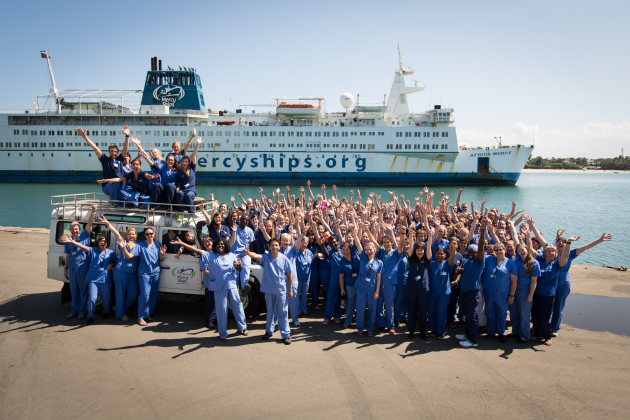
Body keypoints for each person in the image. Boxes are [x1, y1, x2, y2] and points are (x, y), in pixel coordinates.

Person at [172, 236, 248, 341]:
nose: (220, 245)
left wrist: (239, 265)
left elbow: (238, 269)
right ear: (215, 246)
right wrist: (183, 244)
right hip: (219, 287)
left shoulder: (231, 256)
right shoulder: (210, 256)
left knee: (238, 306)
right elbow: (196, 250)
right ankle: (223, 334)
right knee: (221, 310)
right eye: (218, 244)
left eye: (222, 244)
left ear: (225, 245)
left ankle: (243, 328)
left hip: (231, 285)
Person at [550, 233, 612, 336]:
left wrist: (599, 240)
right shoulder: (550, 253)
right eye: (559, 241)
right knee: (547, 305)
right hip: (550, 282)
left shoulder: (570, 253)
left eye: (564, 242)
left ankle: (555, 328)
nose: (561, 243)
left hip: (563, 283)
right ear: (555, 243)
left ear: (566, 245)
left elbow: (585, 247)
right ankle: (542, 325)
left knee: (558, 306)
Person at [243, 239, 294, 345]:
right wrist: (248, 253)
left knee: (282, 312)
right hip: (269, 290)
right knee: (270, 311)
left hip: (281, 290)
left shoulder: (284, 259)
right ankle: (269, 331)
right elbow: (257, 256)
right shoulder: (266, 258)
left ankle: (285, 334)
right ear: (269, 247)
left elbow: (289, 275)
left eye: (276, 245)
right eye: (272, 245)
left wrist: (291, 290)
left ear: (279, 246)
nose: (274, 247)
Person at [60, 233, 117, 325]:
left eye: (105, 241)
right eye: (101, 241)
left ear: (107, 243)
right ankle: (90, 316)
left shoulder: (111, 253)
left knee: (106, 298)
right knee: (92, 298)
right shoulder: (93, 251)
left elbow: (115, 262)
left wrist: (111, 265)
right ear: (98, 243)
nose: (103, 243)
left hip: (105, 279)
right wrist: (73, 242)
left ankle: (106, 312)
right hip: (93, 279)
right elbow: (82, 246)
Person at [119, 227, 166, 326]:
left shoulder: (157, 244)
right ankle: (141, 317)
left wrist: (162, 254)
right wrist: (123, 248)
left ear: (154, 234)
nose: (150, 236)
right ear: (144, 235)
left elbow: (160, 260)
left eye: (151, 233)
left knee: (153, 295)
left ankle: (148, 314)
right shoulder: (140, 246)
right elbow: (129, 256)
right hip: (145, 273)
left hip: (156, 272)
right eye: (147, 234)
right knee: (144, 294)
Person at [77, 126, 130, 206]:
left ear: (117, 152)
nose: (113, 153)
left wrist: (127, 136)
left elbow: (125, 148)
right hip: (107, 186)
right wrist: (85, 136)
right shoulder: (105, 160)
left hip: (120, 185)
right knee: (114, 184)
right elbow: (94, 147)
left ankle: (115, 198)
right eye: (111, 151)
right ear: (109, 152)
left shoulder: (120, 159)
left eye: (115, 151)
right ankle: (113, 202)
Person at [99, 216, 140, 321]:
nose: (131, 235)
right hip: (121, 271)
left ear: (136, 235)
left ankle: (118, 308)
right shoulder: (123, 242)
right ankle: (121, 314)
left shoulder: (139, 245)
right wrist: (108, 224)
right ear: (127, 235)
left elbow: (132, 255)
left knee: (133, 293)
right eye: (129, 234)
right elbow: (116, 234)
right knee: (120, 293)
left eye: (133, 234)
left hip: (132, 273)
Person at [531, 240, 571, 345]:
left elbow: (566, 255)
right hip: (535, 292)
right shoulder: (540, 260)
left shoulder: (557, 263)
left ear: (556, 254)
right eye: (548, 251)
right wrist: (527, 235)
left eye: (553, 251)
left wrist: (569, 243)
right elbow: (530, 249)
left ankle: (547, 336)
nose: (551, 253)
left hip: (548, 294)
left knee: (544, 316)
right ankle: (537, 333)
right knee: (535, 314)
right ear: (544, 253)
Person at [455, 218, 487, 348]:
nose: (472, 254)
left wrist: (483, 230)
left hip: (472, 293)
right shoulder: (467, 260)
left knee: (472, 317)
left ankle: (472, 340)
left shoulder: (479, 262)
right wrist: (458, 271)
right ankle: (467, 335)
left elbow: (480, 248)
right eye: (470, 252)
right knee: (467, 316)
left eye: (474, 252)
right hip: (464, 292)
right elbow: (462, 271)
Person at [62, 205, 97, 320]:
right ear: (70, 230)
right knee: (74, 290)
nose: (75, 230)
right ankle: (74, 310)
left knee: (83, 290)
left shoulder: (84, 235)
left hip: (82, 267)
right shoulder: (67, 241)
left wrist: (93, 211)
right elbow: (67, 256)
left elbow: (90, 223)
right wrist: (65, 269)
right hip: (72, 268)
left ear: (79, 229)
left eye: (76, 228)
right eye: (73, 228)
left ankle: (83, 311)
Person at [480, 243, 517, 343]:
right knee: (490, 312)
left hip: (503, 294)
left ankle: (501, 333)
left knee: (502, 313)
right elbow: (479, 256)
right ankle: (491, 332)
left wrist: (511, 295)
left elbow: (514, 281)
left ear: (505, 250)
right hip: (489, 292)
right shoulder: (489, 260)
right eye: (496, 250)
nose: (498, 251)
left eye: (500, 249)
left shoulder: (510, 263)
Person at [375, 225, 405, 335]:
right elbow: (374, 241)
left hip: (389, 284)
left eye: (388, 242)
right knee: (379, 306)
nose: (386, 244)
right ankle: (381, 325)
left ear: (391, 243)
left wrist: (402, 234)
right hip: (379, 284)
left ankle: (391, 325)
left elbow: (401, 244)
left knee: (389, 306)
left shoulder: (396, 253)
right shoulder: (381, 252)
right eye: (384, 242)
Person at [510, 242, 540, 343]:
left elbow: (533, 281)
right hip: (514, 290)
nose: (521, 252)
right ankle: (515, 331)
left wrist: (530, 295)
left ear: (527, 249)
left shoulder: (534, 263)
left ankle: (524, 335)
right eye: (518, 250)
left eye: (522, 249)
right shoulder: (515, 260)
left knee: (524, 314)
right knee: (514, 312)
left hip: (525, 291)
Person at [406, 227, 433, 339]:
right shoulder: (411, 259)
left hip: (423, 289)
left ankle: (423, 331)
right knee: (411, 311)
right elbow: (411, 247)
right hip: (411, 288)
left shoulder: (426, 260)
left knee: (422, 311)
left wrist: (430, 236)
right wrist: (411, 234)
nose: (420, 252)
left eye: (421, 250)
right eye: (418, 250)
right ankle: (411, 330)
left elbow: (429, 248)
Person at [428, 238, 457, 339]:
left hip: (443, 294)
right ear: (435, 254)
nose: (439, 255)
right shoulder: (431, 264)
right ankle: (433, 330)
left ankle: (440, 331)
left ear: (445, 255)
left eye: (442, 254)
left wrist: (453, 247)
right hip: (432, 293)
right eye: (438, 253)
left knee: (441, 313)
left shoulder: (447, 264)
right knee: (431, 312)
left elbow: (452, 258)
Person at [354, 239, 382, 337]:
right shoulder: (363, 258)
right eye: (367, 250)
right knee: (360, 310)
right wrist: (354, 231)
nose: (369, 251)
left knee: (372, 310)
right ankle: (360, 328)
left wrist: (377, 291)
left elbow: (378, 277)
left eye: (370, 249)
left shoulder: (379, 262)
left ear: (374, 250)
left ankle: (370, 328)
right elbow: (357, 244)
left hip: (372, 289)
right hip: (361, 288)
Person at [175, 136, 202, 220]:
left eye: (186, 161)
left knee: (188, 195)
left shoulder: (192, 169)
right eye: (183, 161)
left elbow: (194, 155)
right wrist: (178, 187)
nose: (184, 163)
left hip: (191, 191)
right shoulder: (179, 172)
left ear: (188, 163)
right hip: (183, 190)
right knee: (179, 194)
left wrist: (198, 144)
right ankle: (180, 214)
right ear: (181, 162)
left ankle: (191, 215)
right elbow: (178, 182)